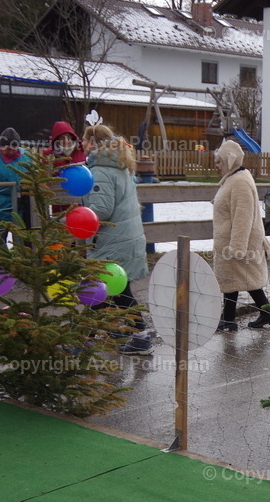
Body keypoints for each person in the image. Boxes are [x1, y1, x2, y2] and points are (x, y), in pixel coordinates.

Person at [81, 124, 152, 354]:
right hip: (126, 237)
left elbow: (101, 209)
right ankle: (94, 337)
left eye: (84, 140)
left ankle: (137, 337)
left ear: (92, 142)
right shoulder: (119, 166)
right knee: (113, 290)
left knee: (106, 289)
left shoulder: (101, 169)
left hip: (113, 240)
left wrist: (78, 216)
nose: (81, 145)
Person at [212, 138, 270, 331]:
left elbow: (243, 216)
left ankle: (263, 314)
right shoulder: (234, 178)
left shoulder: (239, 182)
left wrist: (237, 246)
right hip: (232, 239)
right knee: (234, 279)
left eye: (219, 161)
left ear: (229, 161)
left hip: (239, 241)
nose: (217, 166)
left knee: (243, 278)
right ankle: (234, 318)